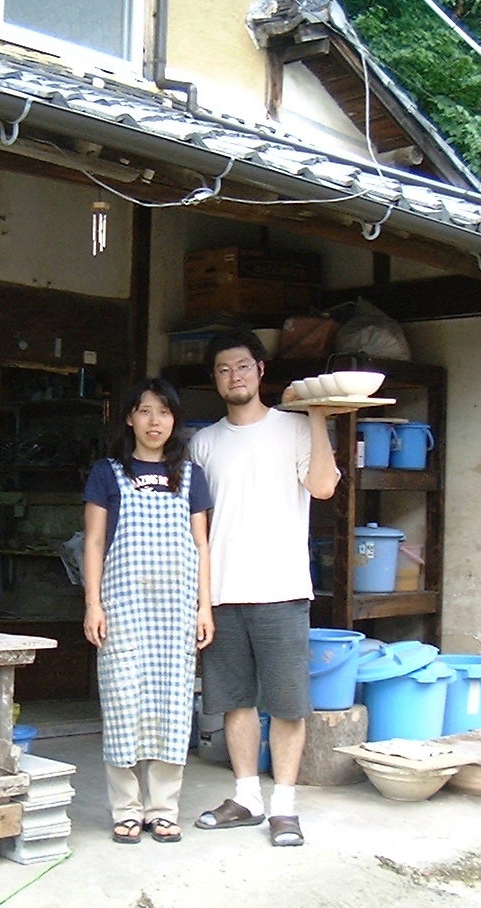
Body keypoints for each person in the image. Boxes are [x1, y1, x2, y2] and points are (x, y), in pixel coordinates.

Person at [188, 328, 340, 847]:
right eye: (224, 369)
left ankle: (285, 806)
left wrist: (317, 416)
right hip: (223, 593)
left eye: (243, 367)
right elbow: (197, 529)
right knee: (234, 702)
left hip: (281, 589)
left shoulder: (295, 428)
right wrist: (200, 599)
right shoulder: (204, 442)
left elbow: (322, 486)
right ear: (215, 379)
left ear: (260, 371)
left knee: (289, 703)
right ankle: (247, 796)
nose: (235, 376)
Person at [83, 377, 214, 844]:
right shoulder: (107, 472)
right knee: (122, 702)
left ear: (174, 420)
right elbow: (95, 543)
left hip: (176, 609)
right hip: (122, 606)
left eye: (163, 411)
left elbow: (201, 544)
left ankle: (162, 808)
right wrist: (93, 604)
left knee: (171, 704)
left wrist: (205, 607)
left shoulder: (191, 476)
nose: (154, 421)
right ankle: (125, 808)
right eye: (144, 411)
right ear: (129, 418)